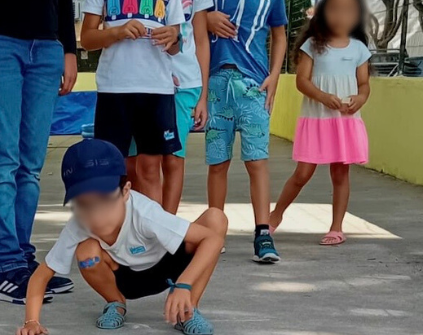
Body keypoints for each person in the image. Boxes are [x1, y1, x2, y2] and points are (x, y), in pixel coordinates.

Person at [15, 139, 227, 335]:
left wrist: (184, 285)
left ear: (126, 191)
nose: (95, 214)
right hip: (125, 279)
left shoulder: (146, 213)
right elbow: (40, 276)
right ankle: (115, 303)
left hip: (168, 267)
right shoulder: (79, 224)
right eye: (83, 204)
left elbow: (212, 240)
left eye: (104, 201)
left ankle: (188, 311)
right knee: (86, 251)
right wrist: (31, 321)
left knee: (215, 219)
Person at [0, 0, 79, 304]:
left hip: (47, 47)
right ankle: (6, 265)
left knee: (30, 165)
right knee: (2, 161)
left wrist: (70, 50)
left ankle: (21, 256)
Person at [269, 0, 371, 246]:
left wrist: (360, 98)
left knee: (340, 173)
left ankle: (336, 227)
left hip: (344, 122)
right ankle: (275, 215)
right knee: (302, 173)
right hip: (317, 120)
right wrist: (323, 97)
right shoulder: (312, 46)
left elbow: (364, 84)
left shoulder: (358, 49)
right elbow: (302, 81)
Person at [204, 0, 287, 263]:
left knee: (257, 162)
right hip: (215, 83)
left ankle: (263, 233)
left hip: (255, 87)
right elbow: (189, 23)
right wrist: (206, 19)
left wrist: (275, 76)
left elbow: (279, 34)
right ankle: (214, 230)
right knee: (217, 163)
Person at [81, 0, 184, 205]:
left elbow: (177, 45)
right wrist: (117, 32)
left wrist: (174, 37)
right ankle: (111, 231)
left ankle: (152, 233)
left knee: (150, 168)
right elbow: (86, 39)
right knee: (111, 167)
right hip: (114, 87)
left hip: (156, 88)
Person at [126, 0, 213, 215]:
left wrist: (203, 96)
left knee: (172, 158)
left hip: (185, 84)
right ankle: (140, 223)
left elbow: (201, 40)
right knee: (136, 162)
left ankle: (167, 228)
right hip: (142, 80)